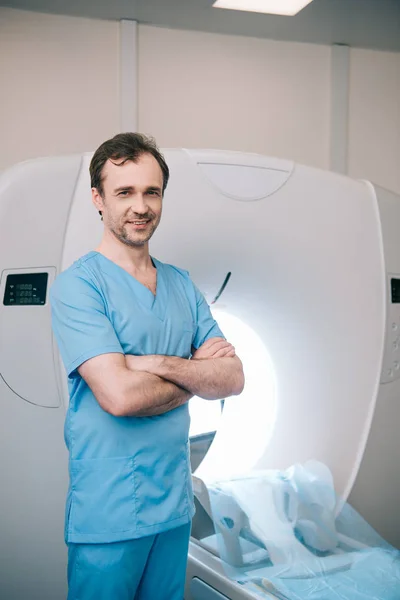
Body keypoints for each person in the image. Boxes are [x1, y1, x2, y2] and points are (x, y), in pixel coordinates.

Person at [50, 132, 245, 600]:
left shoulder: (180, 284)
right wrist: (196, 373)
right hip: (110, 509)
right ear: (98, 199)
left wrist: (152, 363)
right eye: (124, 192)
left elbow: (233, 377)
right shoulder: (80, 286)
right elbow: (119, 397)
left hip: (173, 506)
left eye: (151, 191)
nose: (140, 206)